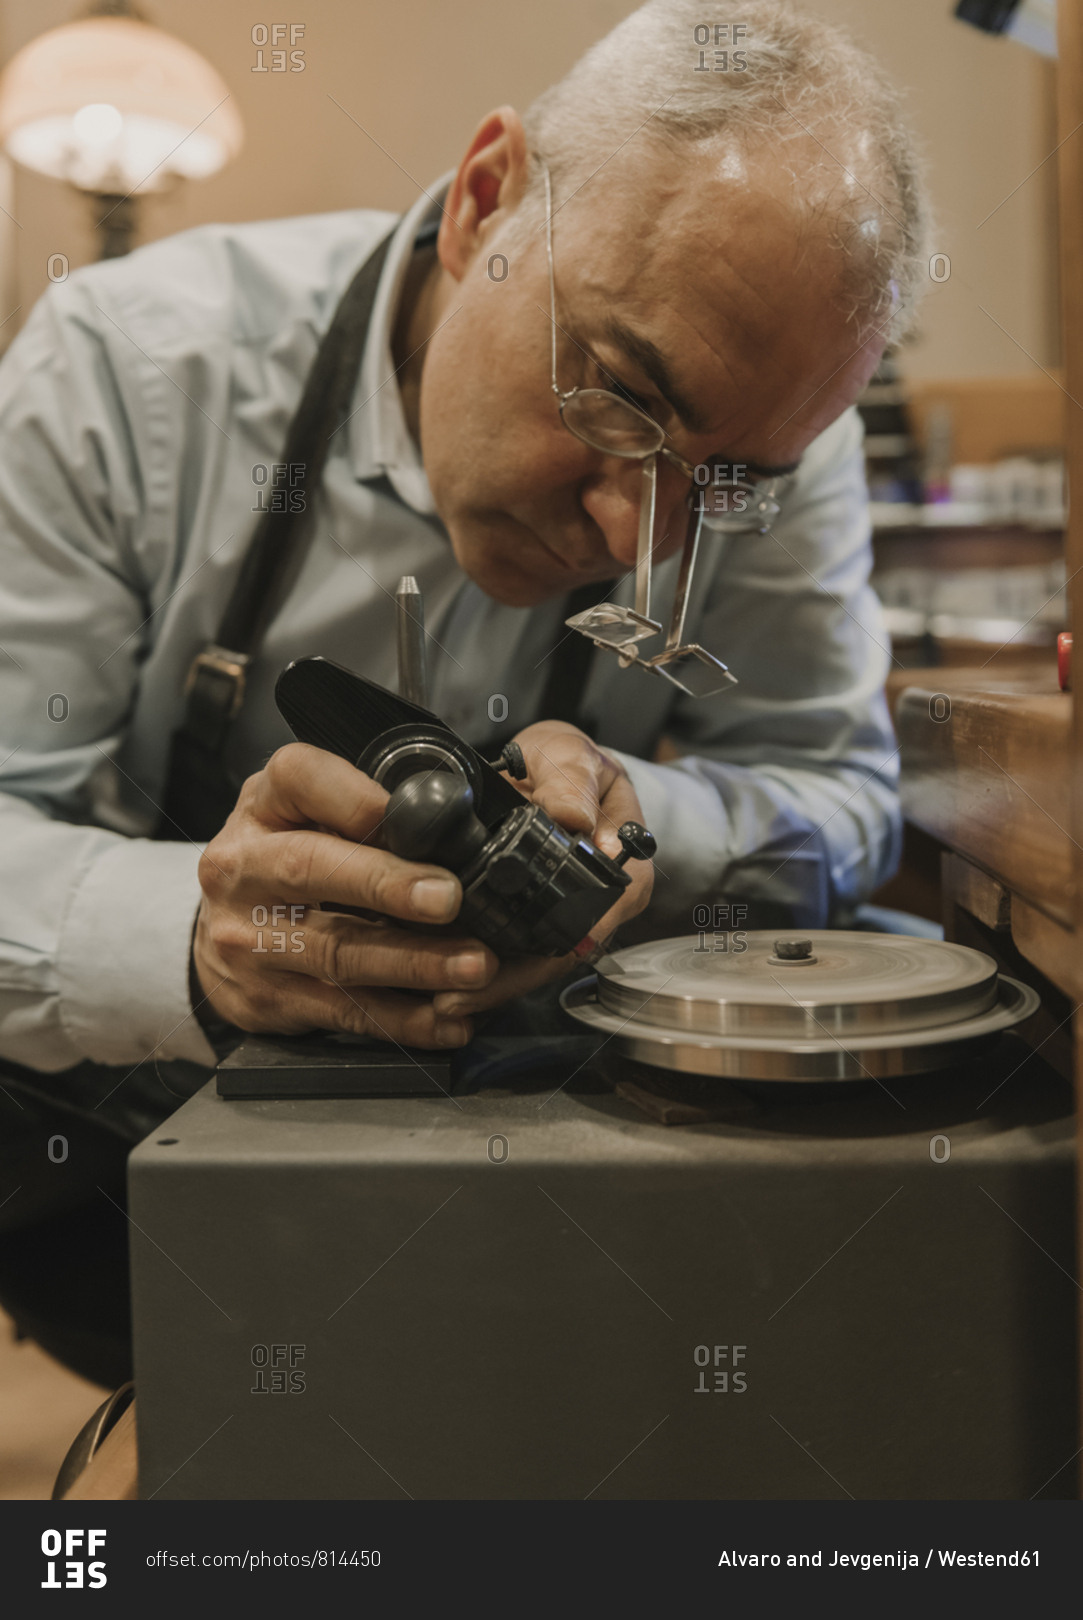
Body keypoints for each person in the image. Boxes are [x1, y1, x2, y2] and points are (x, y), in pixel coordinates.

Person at [0, 0, 928, 1382]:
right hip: (132, 1194)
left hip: (533, 1215)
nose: (637, 540)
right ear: (489, 200)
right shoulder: (132, 370)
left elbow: (846, 793)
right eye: (619, 399)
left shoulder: (774, 444)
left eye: (723, 489)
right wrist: (199, 943)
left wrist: (650, 820)